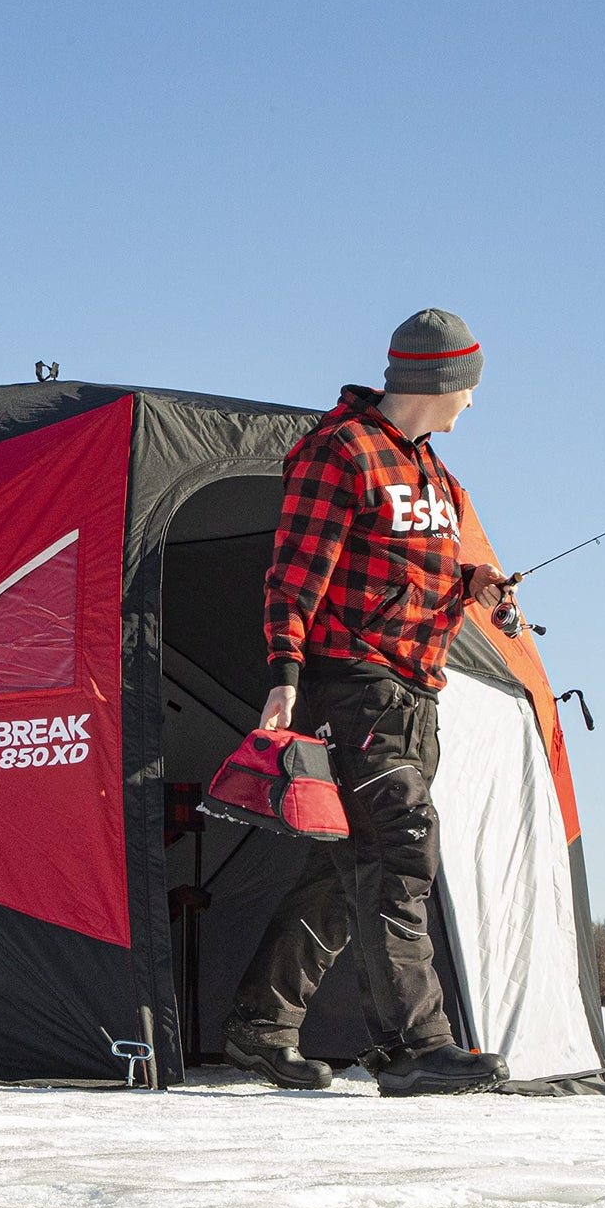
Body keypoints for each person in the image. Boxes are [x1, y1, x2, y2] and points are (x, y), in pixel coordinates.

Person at [223, 309, 513, 1097]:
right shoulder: (338, 450)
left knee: (342, 869)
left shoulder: (437, 477)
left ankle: (260, 1025)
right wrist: (284, 672)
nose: (471, 407)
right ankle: (414, 1047)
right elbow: (294, 573)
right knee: (399, 853)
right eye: (469, 390)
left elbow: (400, 568)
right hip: (354, 684)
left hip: (417, 689)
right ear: (439, 381)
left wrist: (469, 584)